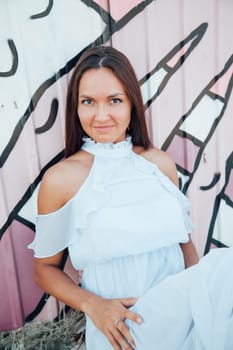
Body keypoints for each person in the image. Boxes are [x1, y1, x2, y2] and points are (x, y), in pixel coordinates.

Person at [28, 46, 233, 350]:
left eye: (114, 101)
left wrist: (205, 310)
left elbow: (185, 246)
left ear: (131, 104)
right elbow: (45, 270)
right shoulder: (61, 179)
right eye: (88, 102)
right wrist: (93, 305)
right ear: (76, 107)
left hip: (183, 311)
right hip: (125, 326)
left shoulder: (159, 164)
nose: (101, 115)